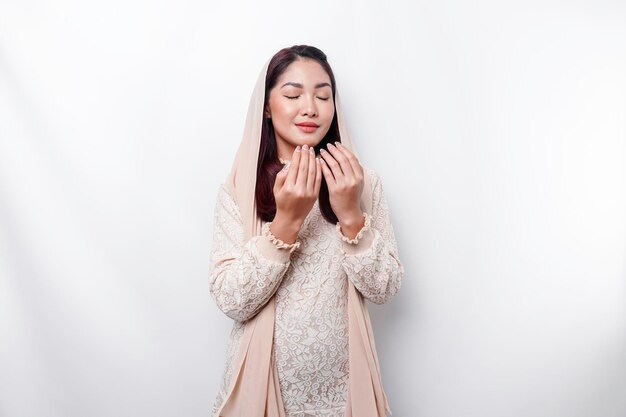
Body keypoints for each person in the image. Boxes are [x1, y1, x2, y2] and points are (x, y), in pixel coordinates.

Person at [208, 45, 404, 417]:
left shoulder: (362, 184)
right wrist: (286, 223)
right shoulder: (239, 189)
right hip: (261, 387)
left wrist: (350, 213)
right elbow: (232, 300)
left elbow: (385, 288)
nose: (311, 108)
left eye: (323, 95)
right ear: (267, 106)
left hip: (345, 391)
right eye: (293, 94)